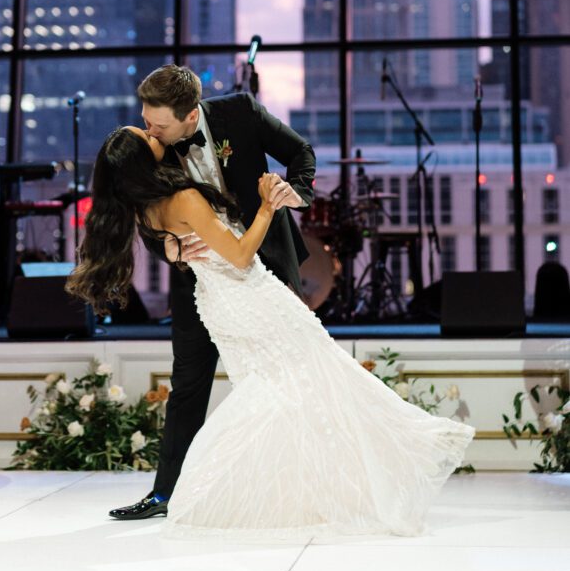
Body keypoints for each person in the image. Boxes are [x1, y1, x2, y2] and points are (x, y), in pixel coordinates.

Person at [68, 123, 474, 540]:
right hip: (251, 298)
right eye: (148, 137)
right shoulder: (183, 197)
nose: (156, 135)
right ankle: (408, 448)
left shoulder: (143, 207)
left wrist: (173, 247)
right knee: (316, 379)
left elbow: (178, 241)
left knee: (288, 388)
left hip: (220, 303)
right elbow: (242, 256)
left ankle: (308, 489)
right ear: (143, 160)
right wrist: (266, 206)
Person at [104, 65, 316, 520]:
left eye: (157, 123)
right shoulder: (151, 148)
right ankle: (165, 494)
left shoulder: (239, 113)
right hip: (200, 282)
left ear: (189, 114)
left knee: (286, 379)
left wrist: (291, 194)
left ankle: (302, 484)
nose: (149, 129)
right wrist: (168, 247)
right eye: (145, 120)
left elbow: (301, 153)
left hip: (266, 269)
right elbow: (146, 214)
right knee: (188, 384)